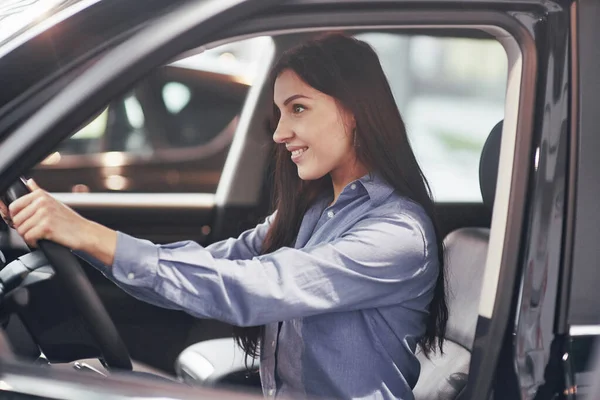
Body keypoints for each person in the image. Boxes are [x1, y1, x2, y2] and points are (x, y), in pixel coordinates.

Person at [0, 33, 448, 400]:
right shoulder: (313, 212)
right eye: (278, 113)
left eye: (298, 108)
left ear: (354, 111)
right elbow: (209, 268)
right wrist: (77, 237)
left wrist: (86, 233)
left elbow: (250, 287)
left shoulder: (398, 233)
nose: (278, 132)